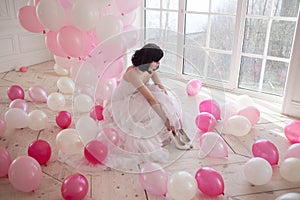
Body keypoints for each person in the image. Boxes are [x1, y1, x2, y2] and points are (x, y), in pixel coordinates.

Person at [100, 43, 192, 150]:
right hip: (124, 101)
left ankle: (175, 130)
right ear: (148, 60)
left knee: (162, 98)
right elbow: (150, 99)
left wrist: (171, 107)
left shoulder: (149, 69)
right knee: (154, 108)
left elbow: (160, 87)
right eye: (156, 60)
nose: (158, 63)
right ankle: (169, 128)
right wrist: (166, 119)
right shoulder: (133, 73)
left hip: (138, 95)